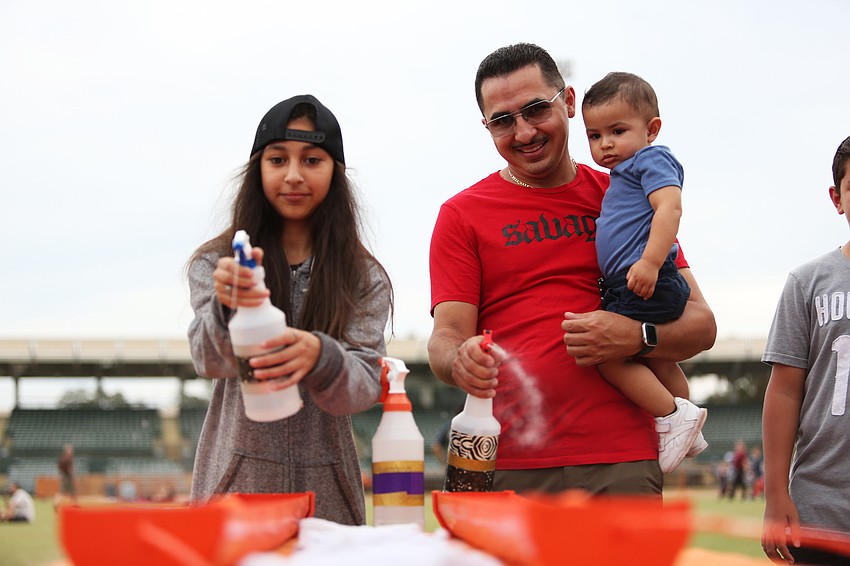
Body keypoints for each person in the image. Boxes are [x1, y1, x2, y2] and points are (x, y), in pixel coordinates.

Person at [428, 42, 716, 496]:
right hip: (508, 460)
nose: (523, 132)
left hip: (621, 459)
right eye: (503, 120)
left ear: (567, 102)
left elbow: (702, 325)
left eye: (535, 109)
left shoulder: (627, 194)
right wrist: (457, 360)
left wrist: (637, 337)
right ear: (486, 127)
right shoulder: (462, 214)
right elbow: (446, 337)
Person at [186, 94, 393, 525]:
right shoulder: (218, 262)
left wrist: (322, 356)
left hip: (328, 508)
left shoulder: (363, 275)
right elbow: (210, 361)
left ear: (335, 171)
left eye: (312, 160)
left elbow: (362, 389)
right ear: (258, 169)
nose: (294, 176)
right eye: (278, 160)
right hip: (232, 500)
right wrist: (227, 307)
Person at [581, 72, 707, 474]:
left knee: (608, 358)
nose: (606, 144)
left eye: (617, 130)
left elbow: (670, 208)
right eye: (595, 136)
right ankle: (687, 419)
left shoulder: (652, 158)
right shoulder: (623, 174)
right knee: (659, 361)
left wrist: (651, 263)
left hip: (644, 279)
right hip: (634, 280)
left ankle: (672, 417)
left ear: (651, 128)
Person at [761, 135, 850, 565]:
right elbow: (784, 391)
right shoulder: (808, 282)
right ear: (837, 198)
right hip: (822, 506)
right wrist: (776, 494)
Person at [55, 444, 77, 508]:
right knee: (63, 491)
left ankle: (73, 504)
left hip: (67, 476)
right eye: (69, 450)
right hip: (66, 476)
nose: (71, 451)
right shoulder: (65, 458)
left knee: (71, 491)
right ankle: (56, 503)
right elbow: (67, 468)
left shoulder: (67, 457)